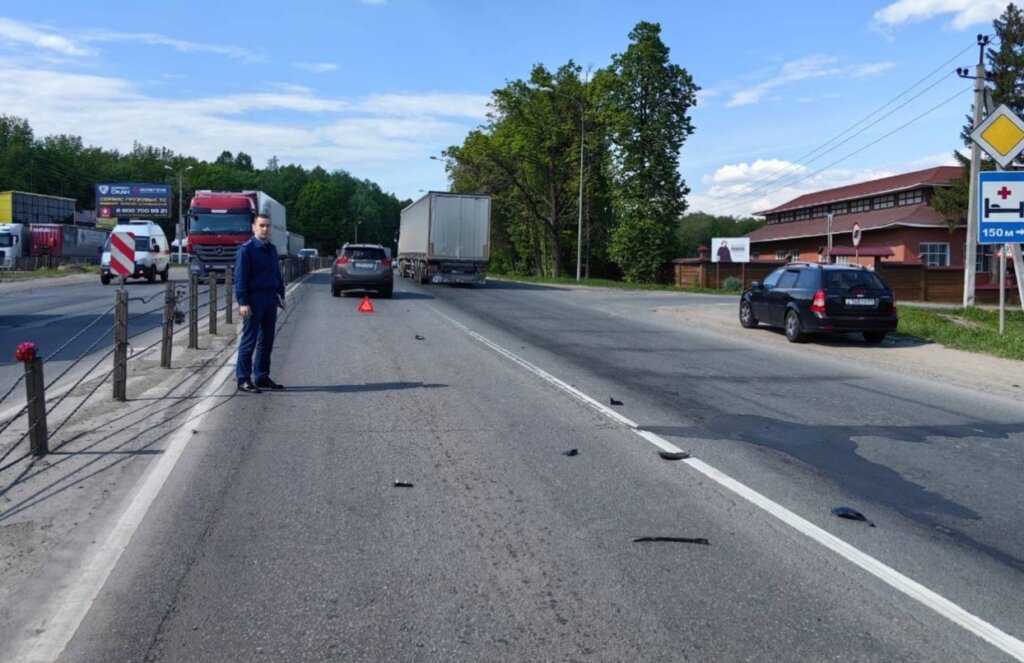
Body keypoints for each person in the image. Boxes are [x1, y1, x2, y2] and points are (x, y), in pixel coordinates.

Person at [234, 213, 286, 393]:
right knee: (249, 340)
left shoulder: (271, 249)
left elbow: (276, 274)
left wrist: (281, 294)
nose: (265, 229)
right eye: (261, 225)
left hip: (270, 298)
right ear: (253, 227)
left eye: (268, 226)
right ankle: (243, 379)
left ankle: (262, 376)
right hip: (253, 299)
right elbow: (240, 278)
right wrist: (243, 302)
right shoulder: (246, 250)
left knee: (267, 340)